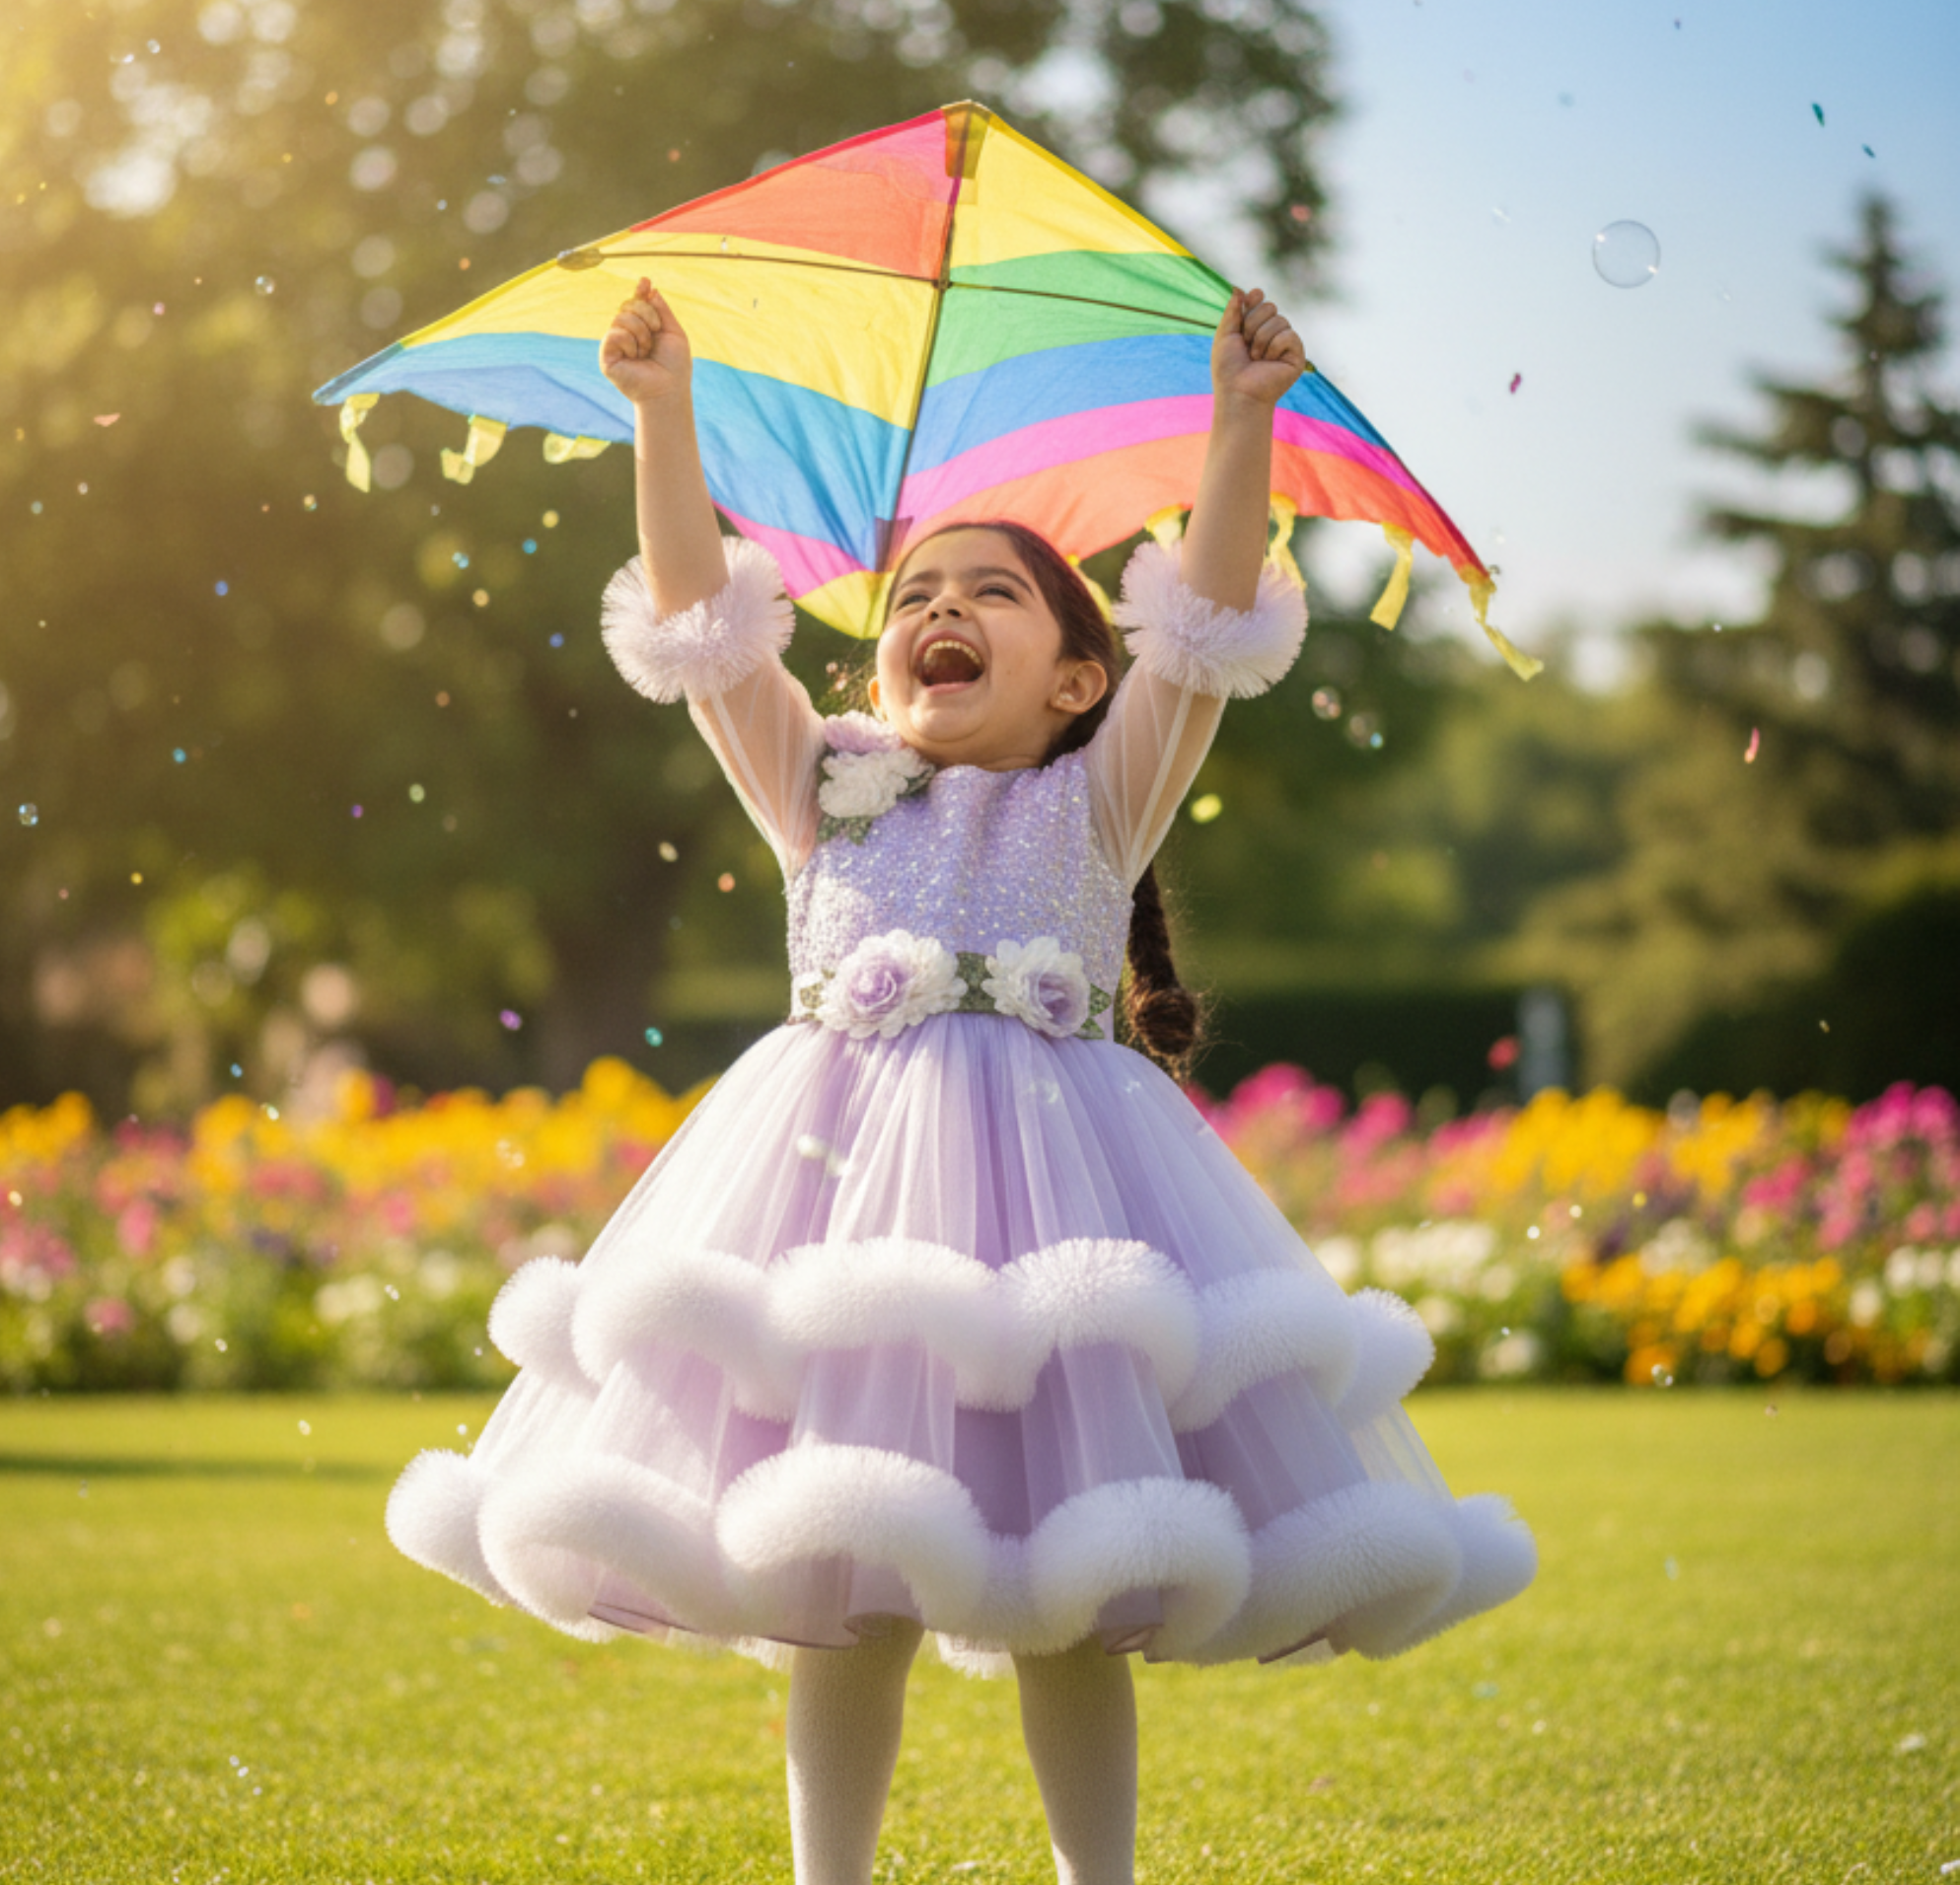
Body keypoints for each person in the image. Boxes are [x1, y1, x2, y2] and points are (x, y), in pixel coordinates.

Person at [387, 281, 1536, 1885]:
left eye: (993, 593)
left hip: (1062, 1221)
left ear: (1078, 677)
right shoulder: (825, 796)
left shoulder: (1102, 805)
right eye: (918, 593)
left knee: (1075, 1574)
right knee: (841, 1564)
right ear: (876, 675)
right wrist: (665, 417)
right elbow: (707, 619)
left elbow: (1201, 624)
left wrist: (1240, 420)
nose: (943, 609)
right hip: (843, 1210)